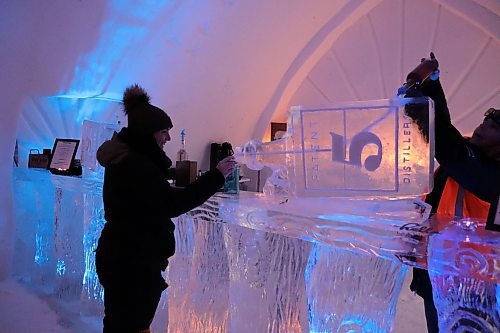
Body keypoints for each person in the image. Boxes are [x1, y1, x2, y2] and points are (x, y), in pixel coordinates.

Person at [95, 84, 236, 332]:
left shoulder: (124, 159)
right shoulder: (138, 165)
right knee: (133, 325)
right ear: (147, 133)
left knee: (118, 322)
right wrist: (216, 176)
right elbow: (172, 203)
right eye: (163, 132)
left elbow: (151, 197)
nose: (167, 138)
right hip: (134, 265)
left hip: (119, 258)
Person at [405, 56, 500, 332]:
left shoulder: (490, 175)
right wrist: (433, 83)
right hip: (439, 272)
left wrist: (418, 96)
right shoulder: (468, 160)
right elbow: (448, 137)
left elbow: (447, 143)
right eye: (486, 122)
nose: (483, 127)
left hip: (471, 284)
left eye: (494, 127)